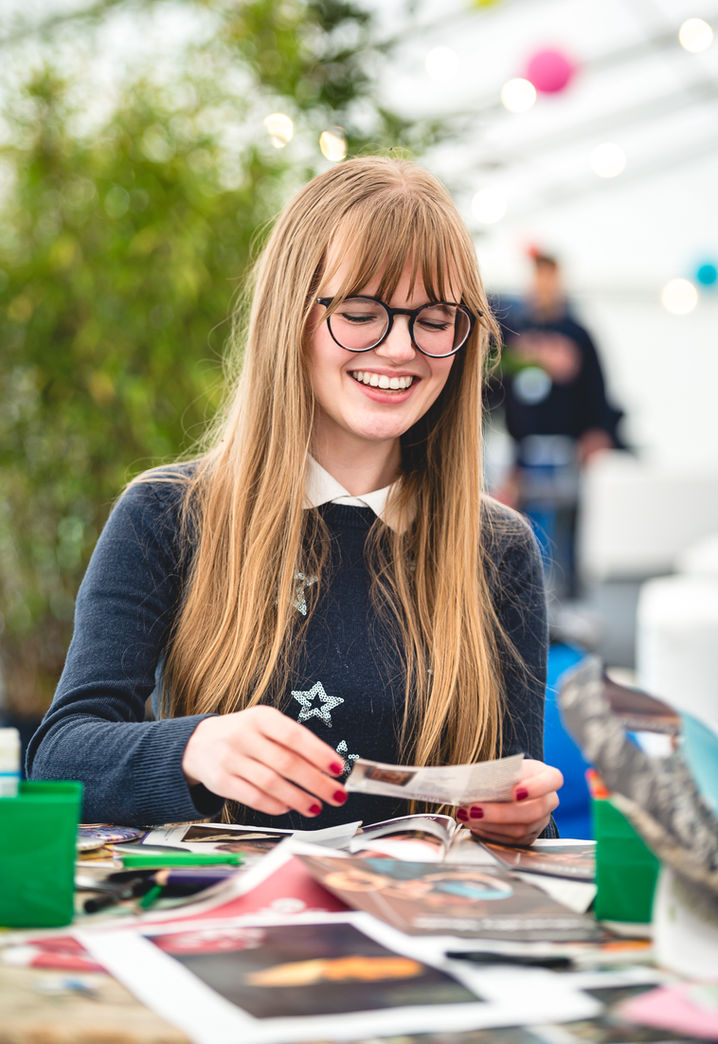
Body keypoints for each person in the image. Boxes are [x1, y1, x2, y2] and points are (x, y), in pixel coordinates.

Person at [27, 156, 562, 846]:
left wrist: (522, 815)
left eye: (434, 318)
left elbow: (516, 801)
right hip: (225, 936)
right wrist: (196, 749)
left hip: (422, 936)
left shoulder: (499, 549)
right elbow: (59, 758)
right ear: (290, 317)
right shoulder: (168, 513)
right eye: (362, 312)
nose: (400, 348)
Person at [488, 250, 624, 598]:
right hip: (523, 446)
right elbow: (496, 384)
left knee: (565, 524)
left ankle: (566, 596)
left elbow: (596, 385)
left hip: (565, 444)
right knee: (522, 520)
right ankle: (524, 592)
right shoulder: (515, 329)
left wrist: (597, 431)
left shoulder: (577, 332)